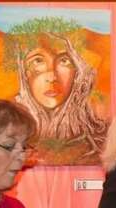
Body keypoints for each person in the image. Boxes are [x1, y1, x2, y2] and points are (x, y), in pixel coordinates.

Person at [13, 28, 108, 163]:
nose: (52, 77)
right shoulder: (10, 137)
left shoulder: (100, 137)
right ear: (24, 73)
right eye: (38, 61)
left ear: (78, 72)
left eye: (64, 61)